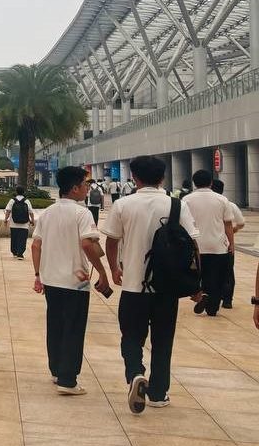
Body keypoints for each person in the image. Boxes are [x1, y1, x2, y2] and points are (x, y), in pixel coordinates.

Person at [103, 155, 199, 413]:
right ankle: (158, 393)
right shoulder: (176, 205)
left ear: (134, 177)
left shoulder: (123, 205)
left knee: (131, 337)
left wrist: (114, 267)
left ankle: (135, 373)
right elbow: (193, 244)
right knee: (163, 341)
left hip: (133, 285)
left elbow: (111, 240)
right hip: (167, 287)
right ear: (162, 178)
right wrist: (195, 284)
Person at [32, 165, 111, 395]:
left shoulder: (48, 212)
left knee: (55, 325)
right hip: (76, 279)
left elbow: (36, 245)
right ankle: (68, 380)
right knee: (74, 328)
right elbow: (87, 243)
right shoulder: (81, 213)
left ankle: (57, 370)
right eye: (85, 184)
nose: (87, 188)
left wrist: (38, 274)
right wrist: (102, 271)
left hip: (51, 278)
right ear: (75, 188)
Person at [184, 171, 234, 317]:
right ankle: (212, 307)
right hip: (217, 246)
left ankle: (200, 294)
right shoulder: (222, 199)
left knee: (195, 275)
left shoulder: (186, 200)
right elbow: (228, 224)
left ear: (194, 183)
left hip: (195, 247)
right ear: (211, 182)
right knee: (217, 278)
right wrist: (231, 244)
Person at [212, 179, 242, 309]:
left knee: (212, 272)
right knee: (228, 273)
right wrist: (233, 231)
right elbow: (241, 223)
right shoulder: (230, 204)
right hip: (226, 244)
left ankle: (213, 299)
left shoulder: (208, 204)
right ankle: (227, 300)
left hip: (209, 245)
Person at [4, 186, 36, 260]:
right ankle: (20, 254)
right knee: (22, 239)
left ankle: (14, 252)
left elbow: (8, 211)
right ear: (23, 192)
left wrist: (5, 220)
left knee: (14, 238)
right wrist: (32, 220)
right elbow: (31, 212)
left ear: (16, 192)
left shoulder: (12, 200)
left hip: (13, 224)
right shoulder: (27, 201)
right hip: (24, 225)